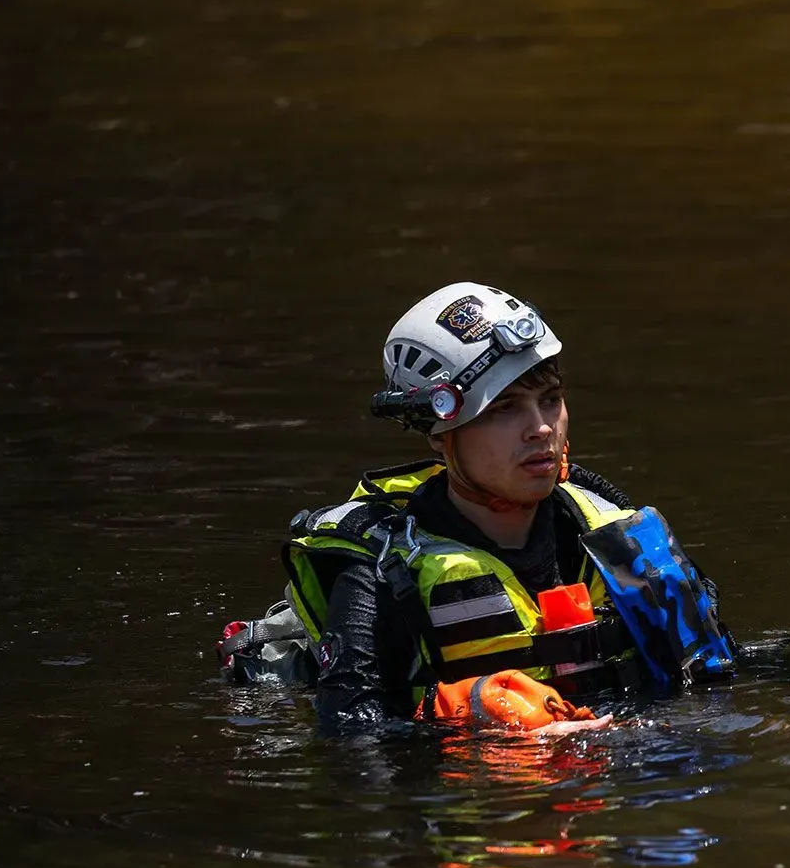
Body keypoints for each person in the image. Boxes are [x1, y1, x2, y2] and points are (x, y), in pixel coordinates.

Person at [217, 281, 735, 735]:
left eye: (550, 399)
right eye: (504, 409)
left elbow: (719, 669)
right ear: (441, 433)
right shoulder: (383, 568)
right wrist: (469, 714)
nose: (541, 428)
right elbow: (352, 733)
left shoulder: (609, 532)